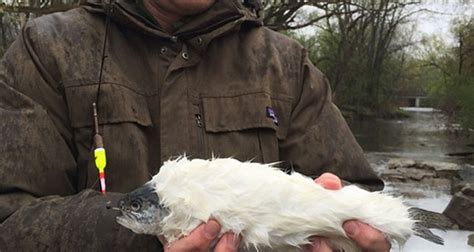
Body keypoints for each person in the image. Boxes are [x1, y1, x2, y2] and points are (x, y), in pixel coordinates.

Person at [0, 0, 388, 251]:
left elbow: (360, 196)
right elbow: (10, 221)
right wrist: (149, 234)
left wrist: (351, 238)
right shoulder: (47, 49)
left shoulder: (287, 65)